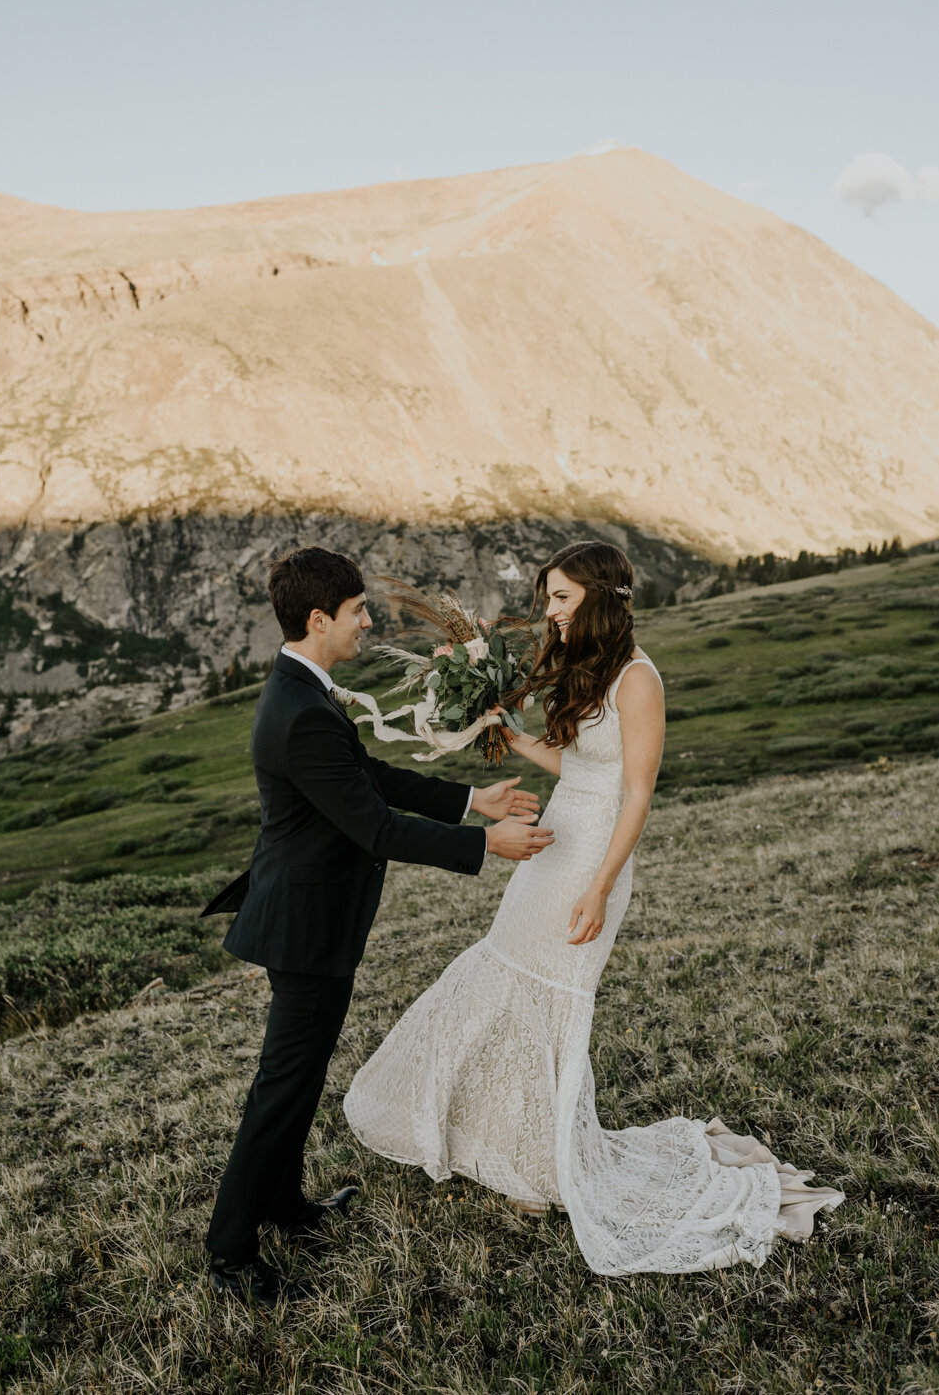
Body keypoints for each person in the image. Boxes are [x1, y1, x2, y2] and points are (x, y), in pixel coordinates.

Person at [344, 541, 844, 1274]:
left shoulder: (638, 681)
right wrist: (507, 735)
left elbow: (634, 793)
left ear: (602, 597)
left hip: (591, 860)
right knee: (505, 983)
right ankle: (514, 1148)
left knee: (549, 1007)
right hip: (554, 843)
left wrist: (600, 885)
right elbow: (580, 765)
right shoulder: (592, 668)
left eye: (560, 599)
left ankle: (540, 1161)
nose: (548, 612)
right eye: (548, 597)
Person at [201, 546, 555, 1306]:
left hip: (314, 919)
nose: (369, 621)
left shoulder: (307, 694)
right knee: (281, 1089)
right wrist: (483, 845)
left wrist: (471, 803)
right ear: (319, 618)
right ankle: (229, 1255)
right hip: (303, 926)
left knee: (296, 1081)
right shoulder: (299, 712)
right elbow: (373, 826)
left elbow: (371, 778)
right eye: (358, 611)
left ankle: (284, 1208)